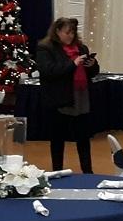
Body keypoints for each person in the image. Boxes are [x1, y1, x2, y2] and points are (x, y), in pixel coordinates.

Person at [35, 16, 100, 172]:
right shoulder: (46, 48)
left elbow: (92, 73)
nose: (70, 36)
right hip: (59, 99)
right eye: (67, 32)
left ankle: (87, 171)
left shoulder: (82, 48)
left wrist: (92, 65)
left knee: (83, 137)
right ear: (57, 31)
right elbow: (49, 71)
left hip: (81, 97)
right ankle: (57, 170)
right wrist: (73, 63)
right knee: (58, 138)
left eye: (73, 32)